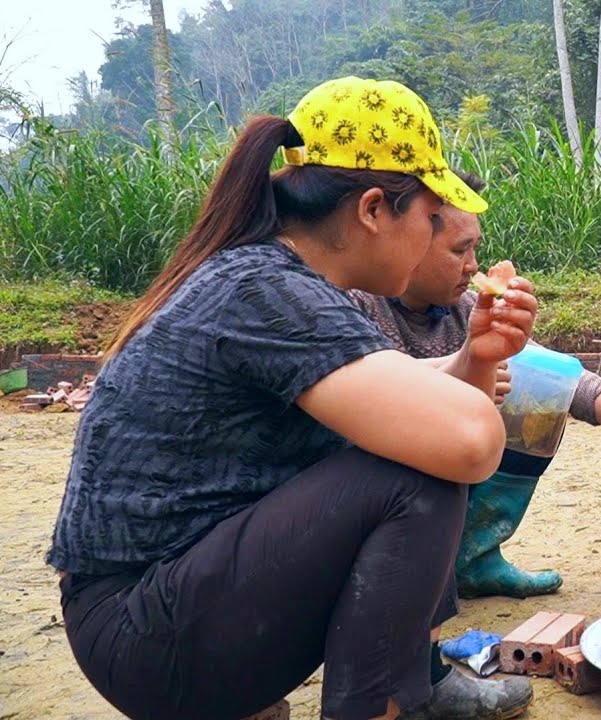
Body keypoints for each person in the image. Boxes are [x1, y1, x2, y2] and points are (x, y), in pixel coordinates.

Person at [47, 76, 538, 720]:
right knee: (418, 477)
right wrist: (467, 383)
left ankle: (401, 682)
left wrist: (477, 357)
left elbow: (415, 413)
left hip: (157, 614)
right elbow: (468, 442)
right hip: (146, 635)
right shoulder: (266, 293)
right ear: (371, 210)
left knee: (419, 449)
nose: (434, 240)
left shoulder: (270, 278)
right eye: (432, 218)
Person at [349, 171, 601, 602]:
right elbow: (361, 386)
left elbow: (564, 378)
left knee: (535, 380)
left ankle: (473, 558)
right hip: (371, 481)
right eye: (460, 250)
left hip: (440, 467)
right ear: (411, 238)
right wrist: (465, 368)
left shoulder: (466, 305)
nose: (473, 266)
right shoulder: (356, 303)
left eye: (476, 248)